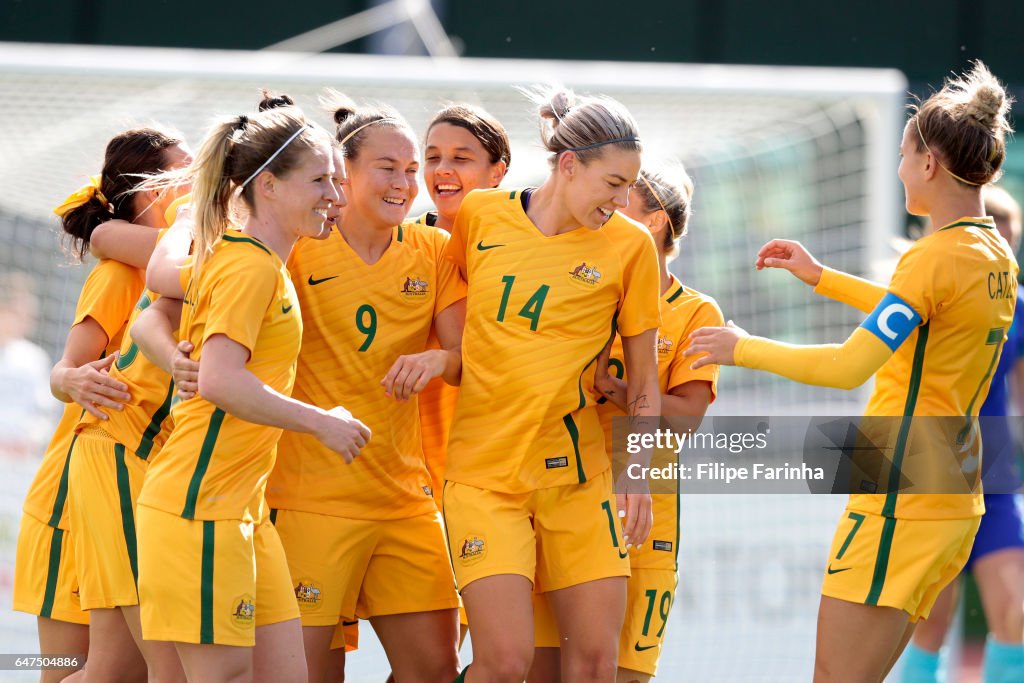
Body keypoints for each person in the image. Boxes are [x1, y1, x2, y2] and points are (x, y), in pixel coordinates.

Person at [686, 61, 1016, 682]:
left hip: (901, 492)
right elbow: (930, 313)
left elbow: (847, 368)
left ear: (929, 165)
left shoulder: (932, 256)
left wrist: (742, 347)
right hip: (955, 492)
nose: (897, 169)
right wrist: (825, 280)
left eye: (902, 153)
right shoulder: (994, 252)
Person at [134, 102, 364, 683]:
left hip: (241, 513)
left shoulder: (254, 259)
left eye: (336, 180)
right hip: (200, 510)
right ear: (268, 185)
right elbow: (219, 379)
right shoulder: (249, 266)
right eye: (320, 180)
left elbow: (158, 312)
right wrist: (323, 422)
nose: (335, 194)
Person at [442, 86, 662, 683]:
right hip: (484, 477)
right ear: (569, 166)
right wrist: (446, 361)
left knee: (594, 665)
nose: (621, 202)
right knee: (505, 661)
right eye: (612, 184)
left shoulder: (632, 248)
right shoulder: (482, 214)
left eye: (629, 187)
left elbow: (645, 379)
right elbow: (451, 301)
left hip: (578, 476)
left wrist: (638, 473)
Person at [263, 94, 463, 683]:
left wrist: (438, 359)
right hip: (307, 502)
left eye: (411, 170)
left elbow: (464, 359)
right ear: (344, 172)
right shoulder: (294, 247)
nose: (405, 183)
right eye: (388, 168)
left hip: (405, 501)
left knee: (435, 671)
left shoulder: (434, 250)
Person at [529, 165, 723, 683]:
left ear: (655, 222)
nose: (606, 209)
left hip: (645, 518)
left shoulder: (697, 313)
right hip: (566, 501)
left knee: (623, 674)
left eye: (621, 200)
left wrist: (615, 387)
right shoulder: (586, 292)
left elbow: (685, 419)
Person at [12, 126, 189, 683]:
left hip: (138, 488)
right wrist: (74, 381)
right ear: (143, 194)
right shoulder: (120, 275)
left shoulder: (187, 266)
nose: (196, 184)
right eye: (180, 174)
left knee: (121, 671)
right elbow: (66, 372)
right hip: (76, 498)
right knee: (77, 668)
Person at [900, 184, 1024, 683]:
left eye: (1013, 234)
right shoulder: (930, 290)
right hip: (934, 479)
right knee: (929, 627)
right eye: (999, 231)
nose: (1007, 244)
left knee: (1016, 613)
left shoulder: (1016, 304)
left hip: (993, 482)